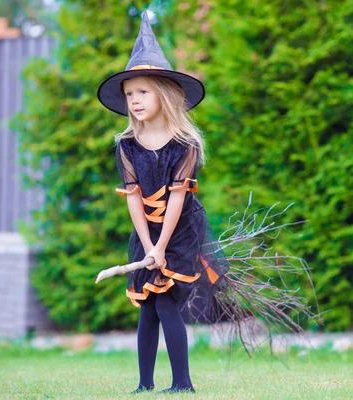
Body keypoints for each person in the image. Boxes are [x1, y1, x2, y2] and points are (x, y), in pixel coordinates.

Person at [97, 11, 228, 394]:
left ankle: (182, 384)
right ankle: (143, 385)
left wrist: (162, 247)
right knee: (148, 307)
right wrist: (148, 246)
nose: (135, 101)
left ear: (164, 94)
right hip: (146, 233)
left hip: (180, 230)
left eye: (143, 91)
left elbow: (176, 201)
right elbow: (134, 199)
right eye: (129, 94)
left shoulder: (184, 146)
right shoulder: (126, 147)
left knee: (168, 301)